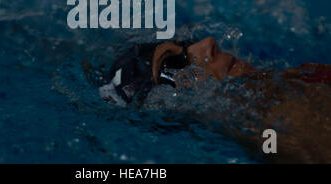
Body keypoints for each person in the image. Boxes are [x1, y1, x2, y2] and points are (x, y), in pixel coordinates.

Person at [86, 37, 331, 163]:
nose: (208, 43)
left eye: (185, 45)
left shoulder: (283, 91)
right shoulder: (282, 123)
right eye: (174, 63)